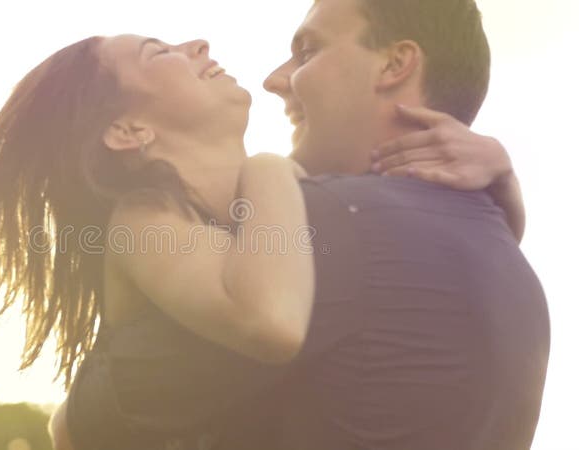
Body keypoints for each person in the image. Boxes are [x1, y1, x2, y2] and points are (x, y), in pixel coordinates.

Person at [47, 1, 549, 450]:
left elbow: (79, 426)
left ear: (396, 64)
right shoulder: (494, 246)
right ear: (127, 130)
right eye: (158, 54)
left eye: (308, 51)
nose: (274, 78)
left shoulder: (318, 228)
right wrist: (502, 186)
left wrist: (266, 168)